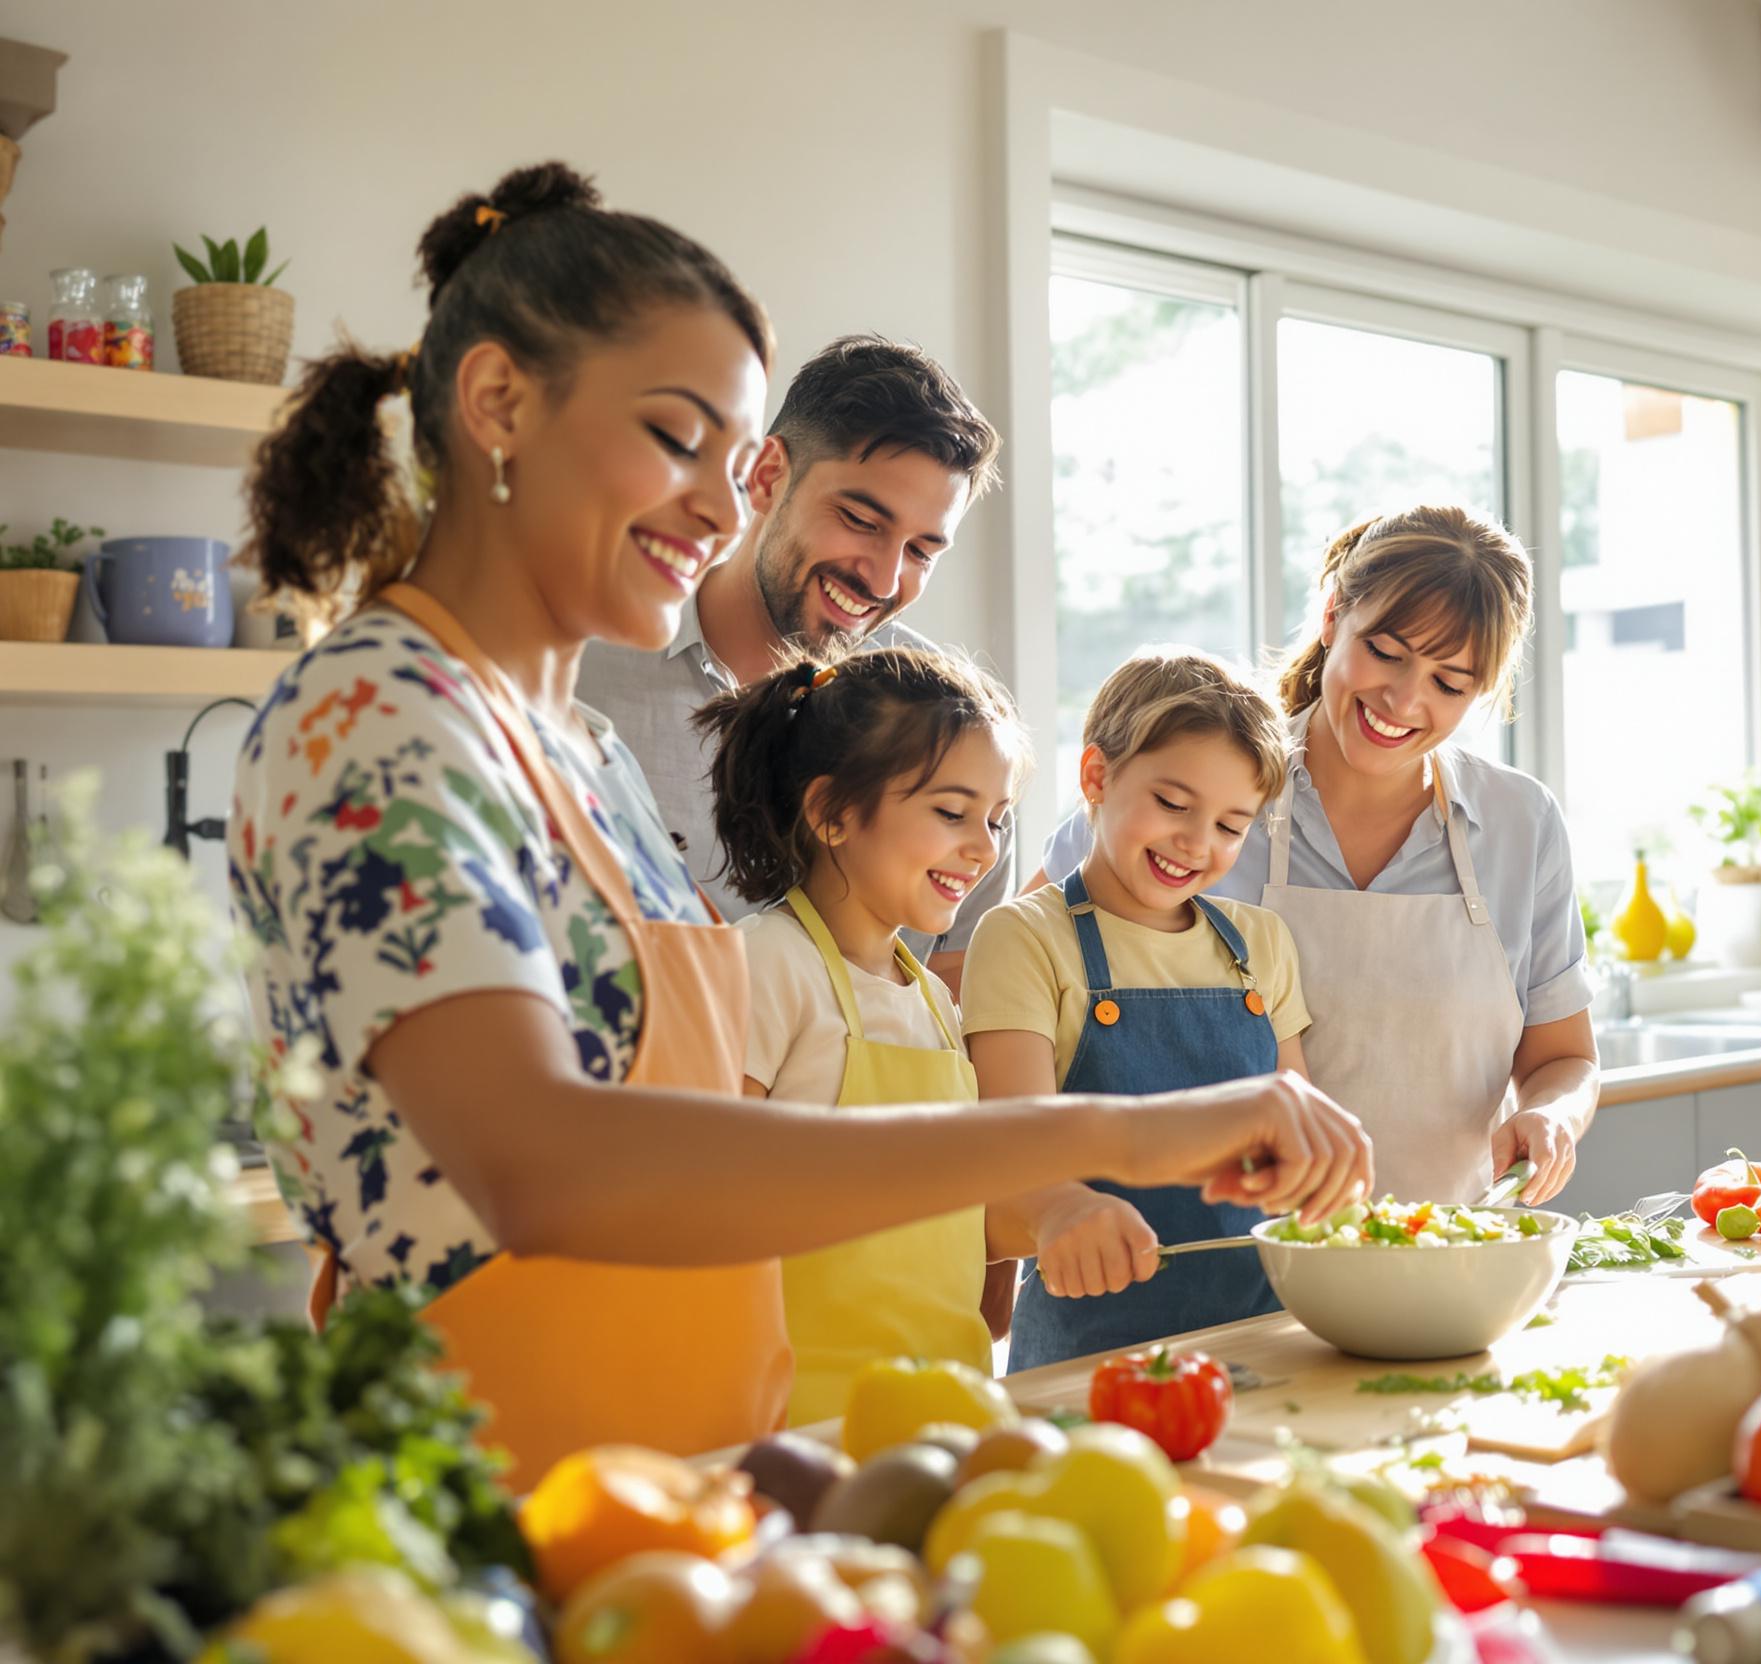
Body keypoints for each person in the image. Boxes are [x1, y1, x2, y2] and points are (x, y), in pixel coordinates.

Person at [227, 162, 1370, 1488]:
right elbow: (541, 1168)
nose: (721, 507)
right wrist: (1112, 1134)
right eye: (675, 439)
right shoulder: (380, 716)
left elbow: (706, 1127)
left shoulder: (575, 746)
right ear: (497, 404)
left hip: (679, 1479)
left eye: (733, 460)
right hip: (484, 1495)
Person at [1039, 506, 1598, 1210]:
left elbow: (1564, 1058)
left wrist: (1553, 1114)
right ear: (1334, 616)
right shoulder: (1204, 792)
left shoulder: (1523, 824)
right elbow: (1020, 962)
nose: (1403, 699)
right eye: (1386, 652)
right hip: (1202, 1266)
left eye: (1449, 683)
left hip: (1445, 1262)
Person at [574, 335, 1009, 991]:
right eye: (861, 519)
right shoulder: (579, 667)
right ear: (768, 476)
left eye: (922, 551)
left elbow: (953, 1018)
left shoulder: (953, 731)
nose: (885, 578)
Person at [695, 646, 1022, 1422]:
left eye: (997, 820)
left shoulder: (935, 1002)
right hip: (806, 1423)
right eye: (952, 813)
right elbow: (704, 1209)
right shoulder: (769, 963)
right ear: (832, 812)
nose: (985, 848)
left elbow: (965, 1226)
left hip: (947, 1411)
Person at [964, 650, 1306, 1369]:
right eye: (1174, 805)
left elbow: (1297, 1134)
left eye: (1231, 825)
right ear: (1097, 776)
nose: (1197, 843)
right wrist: (1060, 1206)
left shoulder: (1261, 944)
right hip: (1090, 1354)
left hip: (1264, 1335)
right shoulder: (1024, 936)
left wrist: (1321, 1179)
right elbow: (1004, 1151)